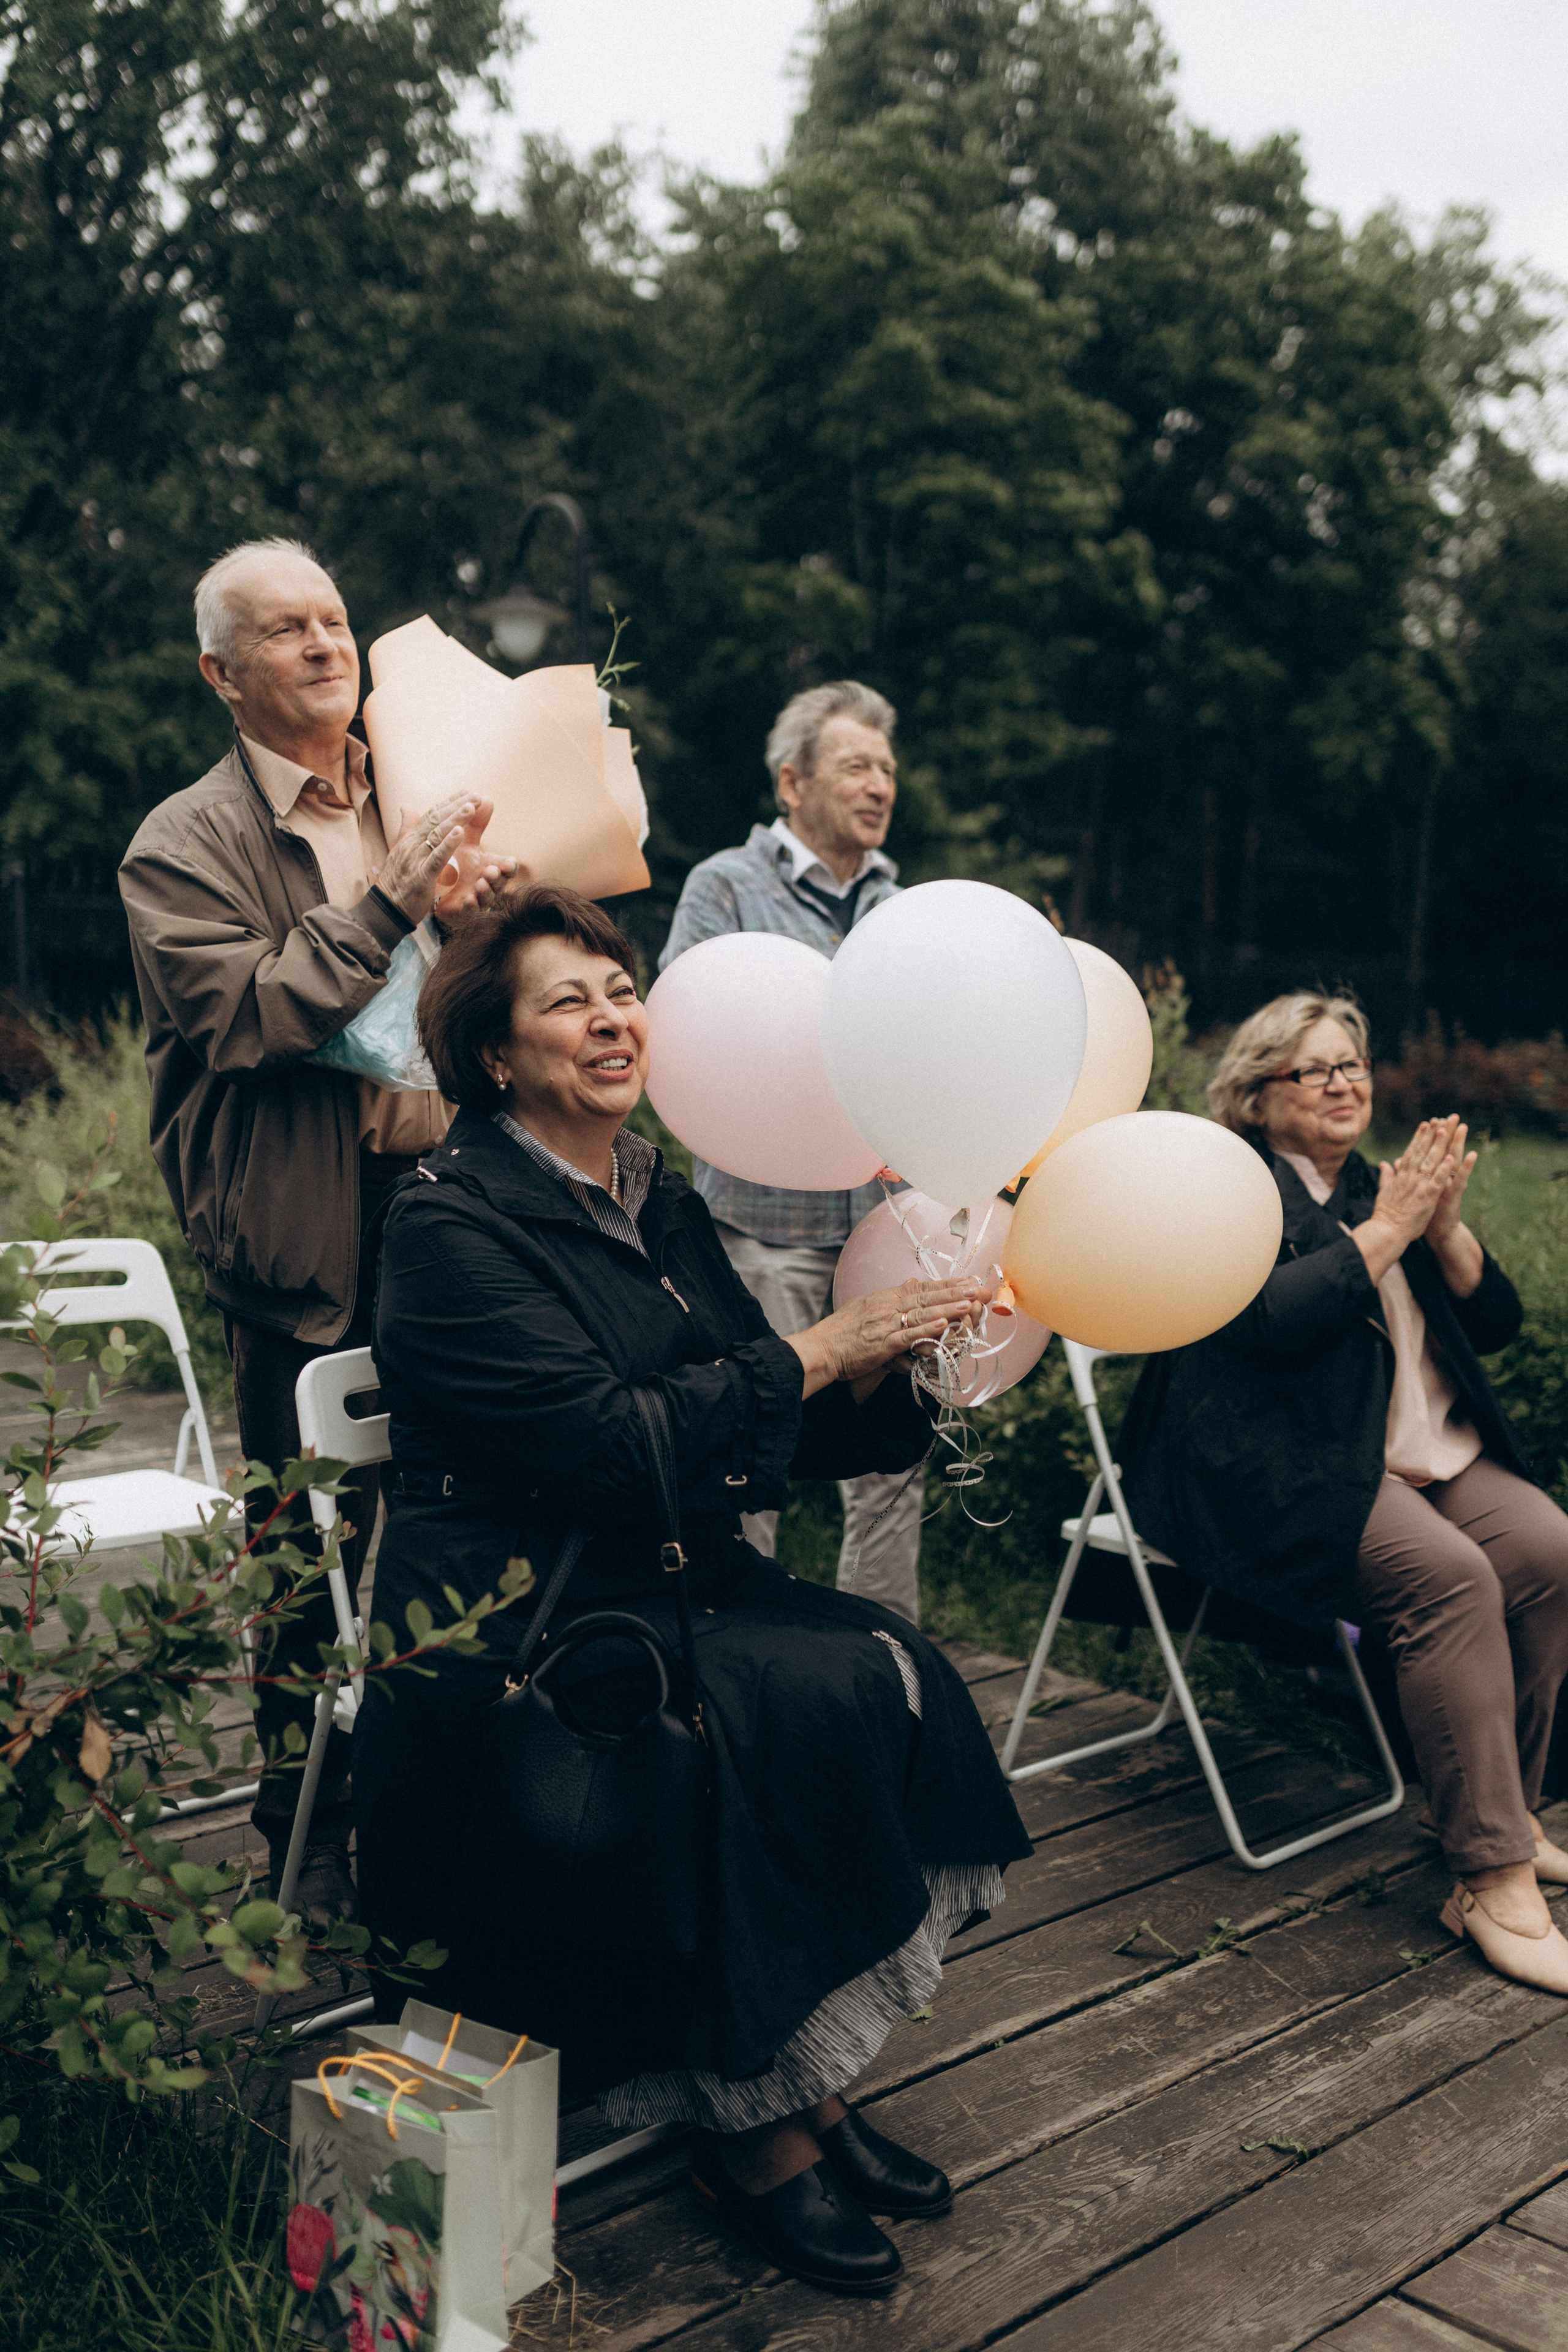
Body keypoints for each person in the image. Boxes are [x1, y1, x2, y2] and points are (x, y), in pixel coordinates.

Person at [356, 883, 1031, 2298]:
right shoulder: (444, 1222)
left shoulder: (653, 1195)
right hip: (521, 1613)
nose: (611, 1016)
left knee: (886, 1667)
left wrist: (911, 1368)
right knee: (758, 1717)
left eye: (619, 988)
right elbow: (606, 1445)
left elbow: (752, 1404)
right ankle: (752, 2136)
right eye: (568, 999)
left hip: (666, 1571)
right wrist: (824, 1345)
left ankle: (798, 2072)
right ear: (493, 1056)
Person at [118, 536, 514, 1924]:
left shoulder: (425, 785)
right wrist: (394, 899)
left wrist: (491, 919)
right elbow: (244, 1019)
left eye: (334, 618)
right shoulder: (183, 843)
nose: (325, 643)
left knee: (463, 1517)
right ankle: (306, 1832)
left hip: (451, 1202)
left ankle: (449, 1791)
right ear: (224, 675)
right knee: (309, 1547)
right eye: (285, 629)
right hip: (305, 1225)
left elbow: (480, 993)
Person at [1120, 991, 1568, 1992]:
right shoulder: (1230, 1192)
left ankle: (1500, 1810)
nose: (1343, 1083)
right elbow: (1272, 1321)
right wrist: (1390, 1229)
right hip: (1277, 1465)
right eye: (1314, 1069)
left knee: (1547, 1553)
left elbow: (1494, 1322)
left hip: (1417, 1453)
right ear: (1254, 1093)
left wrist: (1441, 1228)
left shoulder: (1381, 1184)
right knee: (1451, 1582)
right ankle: (1489, 1879)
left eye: (1354, 1066)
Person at [659, 680, 924, 1622]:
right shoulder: (727, 887)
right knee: (754, 1445)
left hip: (890, 1230)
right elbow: (688, 1040)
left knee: (894, 1460)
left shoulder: (905, 907)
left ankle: (892, 1663)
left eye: (887, 768)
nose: (879, 784)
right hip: (763, 1227)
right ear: (791, 781)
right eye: (856, 764)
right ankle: (746, 1657)